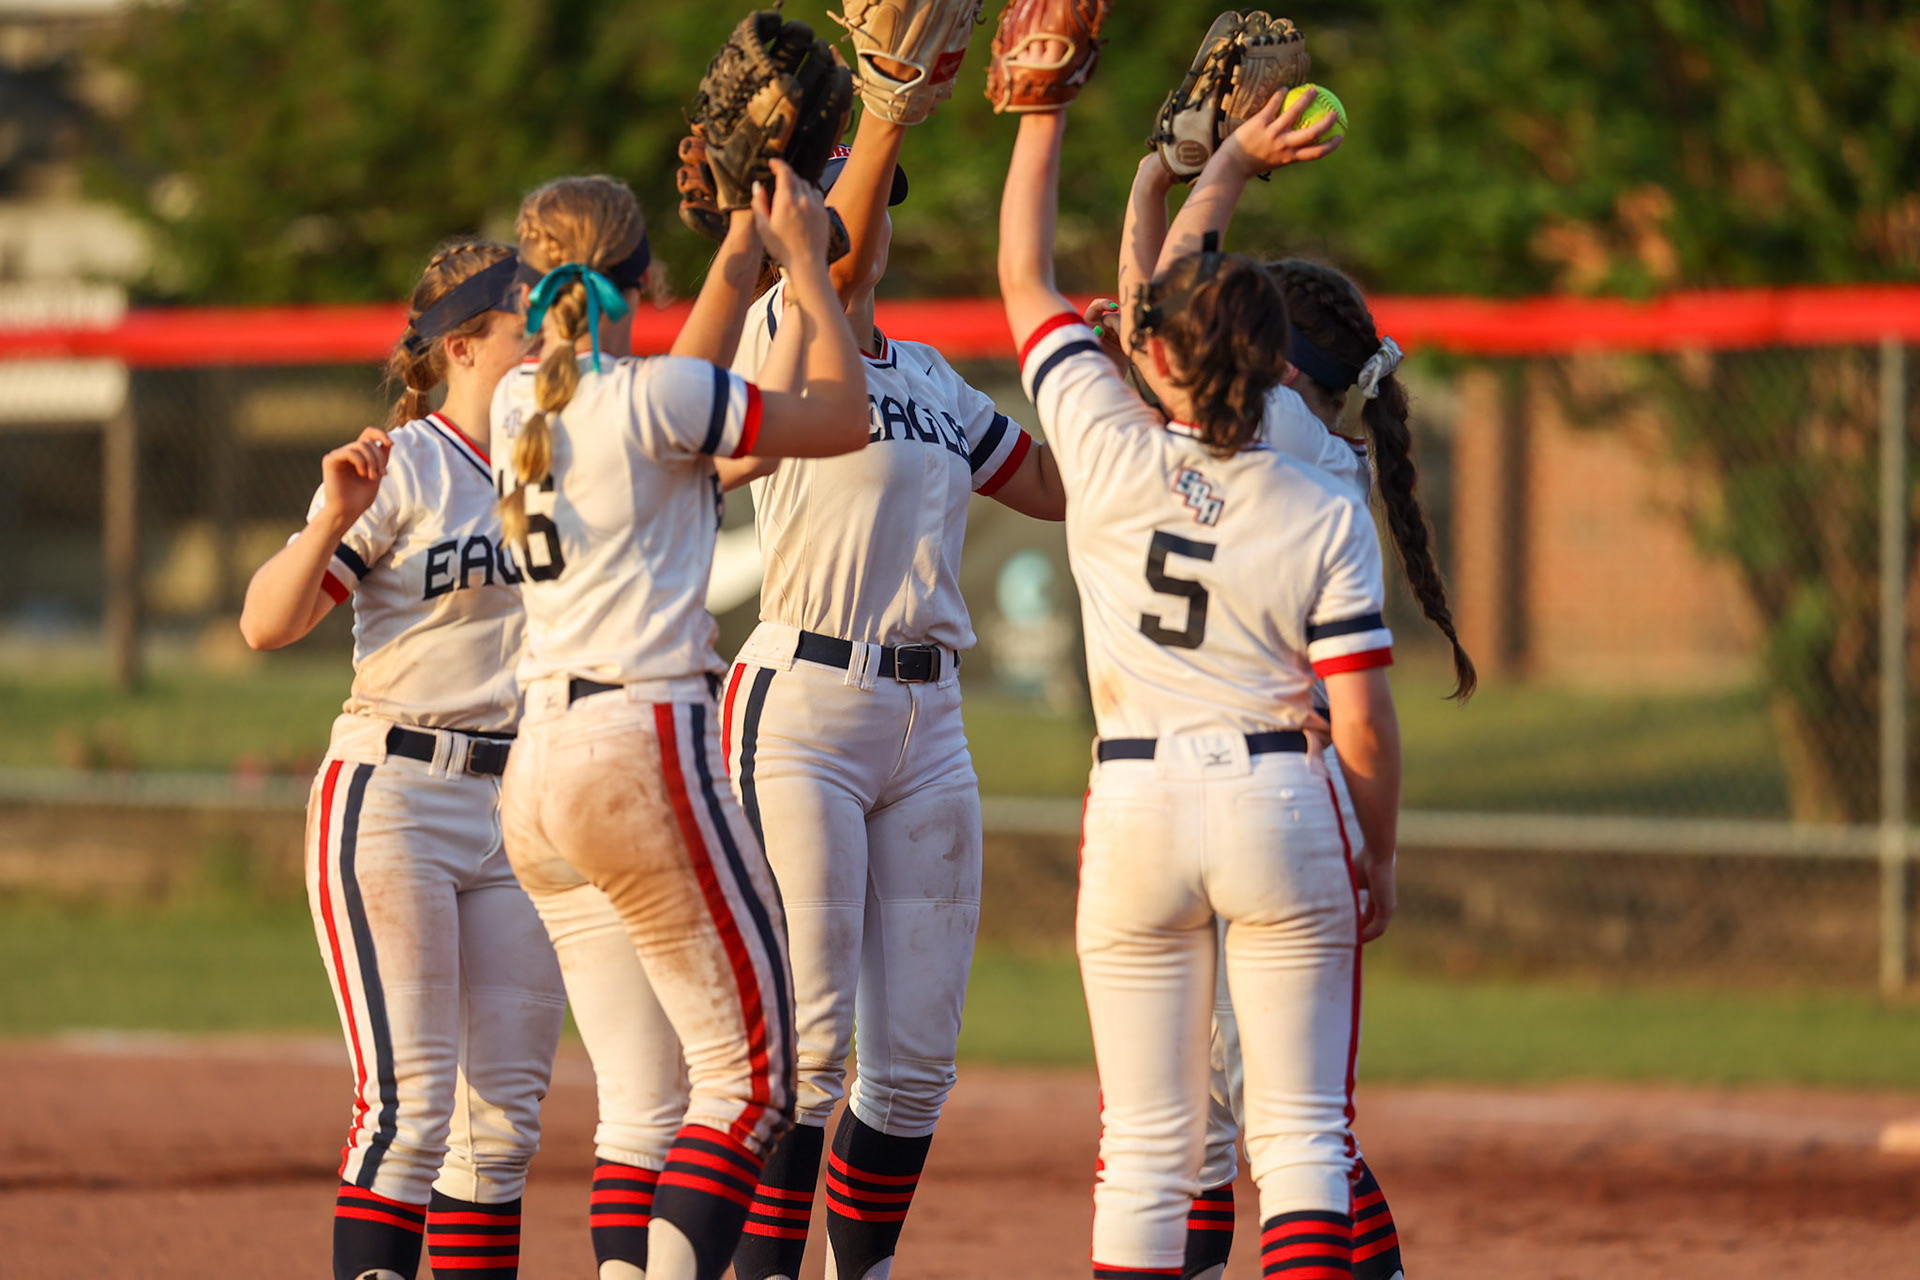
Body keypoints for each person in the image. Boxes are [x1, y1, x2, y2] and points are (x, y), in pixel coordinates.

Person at [996, 74, 1402, 1280]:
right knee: (1303, 1141)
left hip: (1132, 806)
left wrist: (1048, 109)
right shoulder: (1323, 485)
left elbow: (1031, 275)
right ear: (1277, 364)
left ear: (1155, 352)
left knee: (1145, 1151)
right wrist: (1374, 854)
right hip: (1283, 797)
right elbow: (1369, 728)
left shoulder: (1108, 450)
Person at [1110, 93, 1482, 1280]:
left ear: (1278, 364)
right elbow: (1157, 312)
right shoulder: (1325, 454)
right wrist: (1170, 183)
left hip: (1205, 793)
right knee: (1281, 1110)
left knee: (1245, 1121)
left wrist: (1198, 169)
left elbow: (1152, 307)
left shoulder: (1255, 418)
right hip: (1295, 809)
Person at [489, 164, 869, 1280]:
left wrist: (746, 245)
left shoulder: (527, 399)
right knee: (756, 1078)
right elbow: (840, 416)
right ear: (642, 277)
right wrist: (806, 266)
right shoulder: (657, 400)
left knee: (646, 1100)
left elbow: (682, 380)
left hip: (538, 770)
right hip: (637, 747)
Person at [717, 106, 1065, 1280]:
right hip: (802, 705)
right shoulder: (780, 334)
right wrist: (883, 107)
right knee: (808, 1047)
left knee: (912, 1062)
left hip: (931, 721)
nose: (866, 224)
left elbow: (1062, 490)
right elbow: (837, 263)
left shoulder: (932, 381)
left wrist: (1114, 391)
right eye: (831, 201)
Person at [240, 241, 568, 1280]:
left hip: (521, 807)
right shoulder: (406, 464)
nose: (550, 344)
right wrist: (333, 515)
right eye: (527, 326)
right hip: (398, 794)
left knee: (503, 1122)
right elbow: (265, 622)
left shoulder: (555, 460)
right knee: (411, 1106)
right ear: (463, 346)